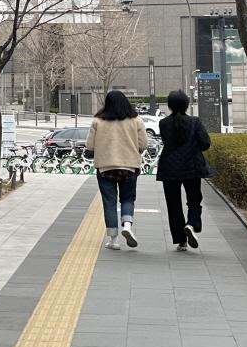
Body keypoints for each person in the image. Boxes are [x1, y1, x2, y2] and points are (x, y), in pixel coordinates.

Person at [87, 90, 149, 250]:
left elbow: (90, 146)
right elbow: (143, 145)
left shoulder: (97, 121)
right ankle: (127, 225)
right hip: (129, 166)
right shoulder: (136, 120)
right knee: (128, 198)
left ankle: (113, 240)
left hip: (105, 167)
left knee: (110, 202)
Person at [156, 90, 213, 251]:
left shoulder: (163, 123)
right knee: (194, 199)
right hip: (191, 167)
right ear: (187, 105)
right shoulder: (195, 122)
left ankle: (181, 241)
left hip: (169, 168)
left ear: (169, 105)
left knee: (173, 204)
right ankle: (192, 224)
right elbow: (205, 144)